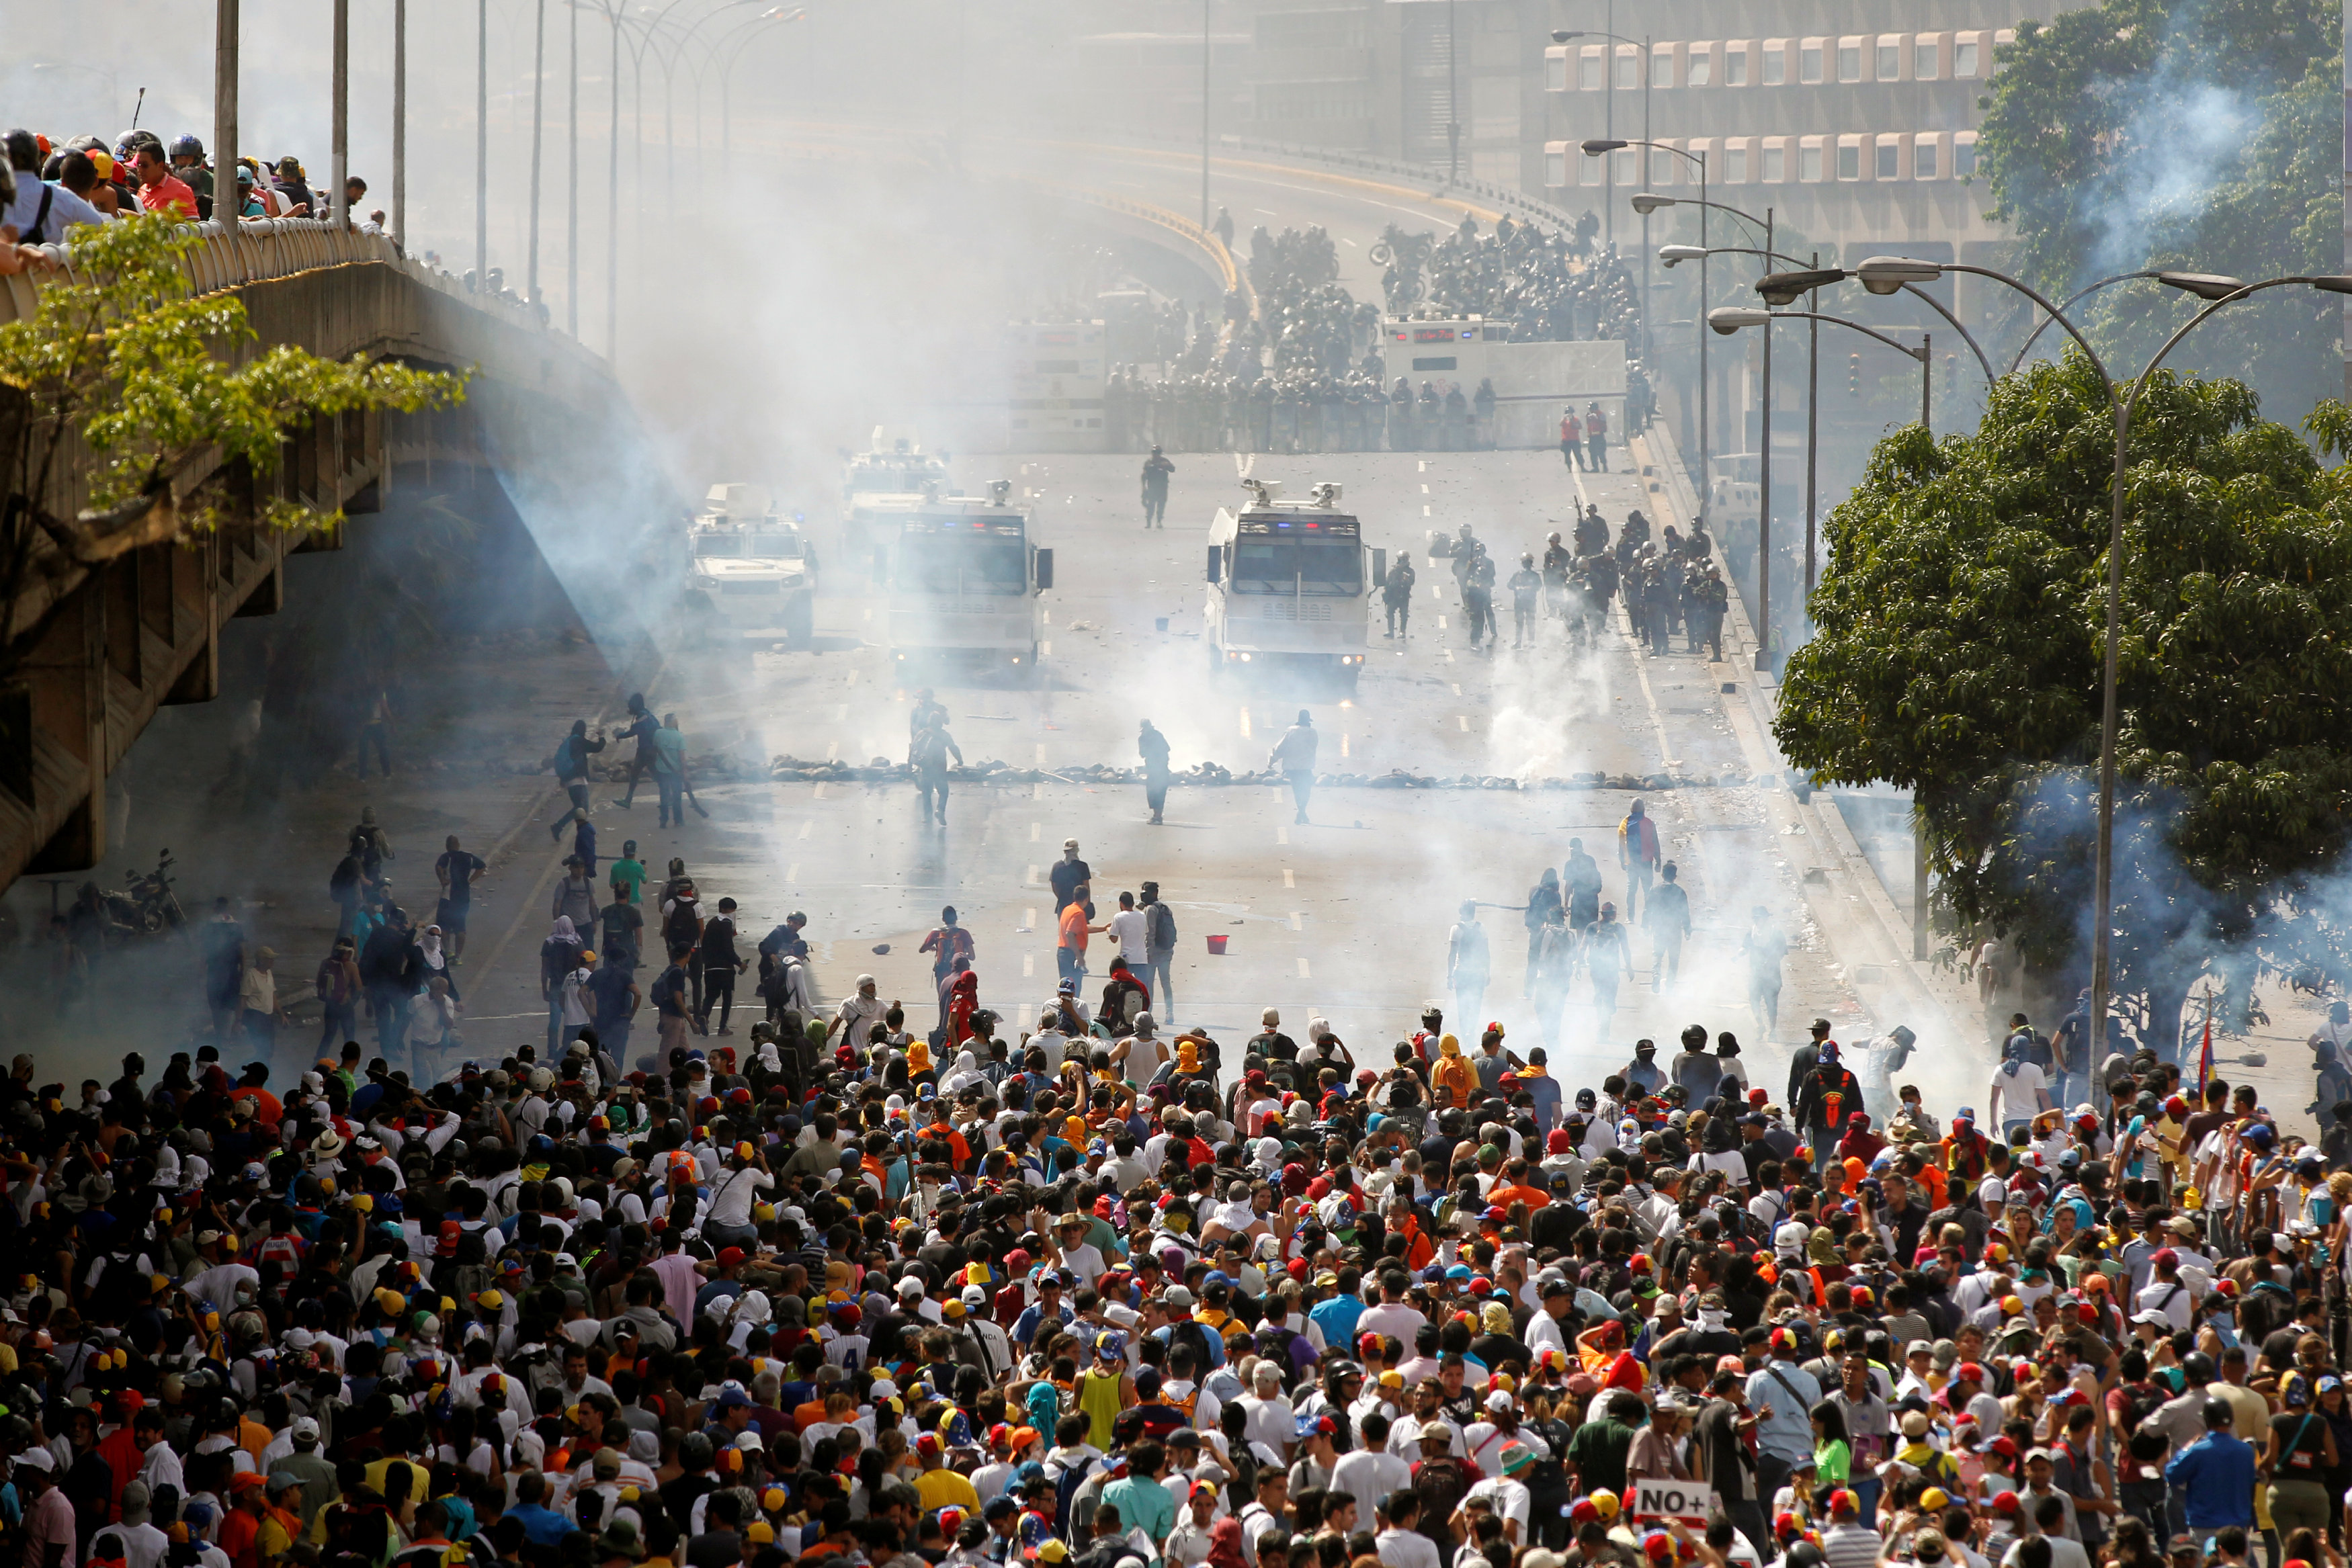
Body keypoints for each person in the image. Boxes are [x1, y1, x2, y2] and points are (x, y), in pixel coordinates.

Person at [548, 720, 607, 836]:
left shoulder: (568, 741)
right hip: (577, 780)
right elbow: (597, 748)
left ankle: (559, 826)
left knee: (579, 808)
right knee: (582, 809)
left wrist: (562, 778)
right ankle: (579, 832)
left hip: (570, 780)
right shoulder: (579, 741)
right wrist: (601, 737)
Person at [433, 836, 486, 962]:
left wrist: (442, 880)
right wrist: (470, 881)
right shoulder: (469, 857)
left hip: (448, 898)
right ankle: (458, 956)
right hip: (463, 898)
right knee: (460, 927)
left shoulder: (447, 857)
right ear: (459, 845)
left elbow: (438, 867)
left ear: (447, 846)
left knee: (443, 926)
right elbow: (482, 866)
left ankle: (448, 951)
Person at [1644, 861, 1690, 992]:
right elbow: (1685, 913)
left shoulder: (1654, 890)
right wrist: (1687, 930)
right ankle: (1670, 985)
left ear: (1663, 875)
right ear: (1675, 877)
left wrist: (1645, 926)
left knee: (1657, 954)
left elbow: (1647, 909)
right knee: (1674, 958)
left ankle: (1656, 975)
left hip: (1658, 928)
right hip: (1674, 929)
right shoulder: (1680, 892)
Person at [1742, 906, 1788, 1038]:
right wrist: (1738, 955)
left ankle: (1773, 1030)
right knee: (1754, 999)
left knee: (1771, 1003)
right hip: (1756, 973)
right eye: (1755, 918)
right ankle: (1760, 1025)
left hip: (1772, 975)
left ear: (1766, 918)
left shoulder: (1776, 933)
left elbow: (1782, 951)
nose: (1757, 921)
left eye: (1759, 918)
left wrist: (1771, 960)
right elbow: (1745, 946)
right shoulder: (1752, 932)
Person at [1267, 709, 1318, 825]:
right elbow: (1313, 748)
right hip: (1306, 766)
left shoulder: (1290, 731)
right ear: (1309, 721)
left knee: (1297, 790)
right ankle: (1302, 812)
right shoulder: (1313, 732)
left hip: (1292, 767)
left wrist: (1272, 761)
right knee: (1306, 790)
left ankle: (1301, 812)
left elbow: (1279, 748)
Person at [913, 716, 963, 825]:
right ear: (941, 723)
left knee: (926, 791)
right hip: (940, 766)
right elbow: (953, 748)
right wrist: (960, 760)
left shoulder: (922, 733)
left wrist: (909, 765)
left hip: (926, 766)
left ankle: (927, 817)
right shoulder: (944, 735)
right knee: (944, 791)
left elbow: (913, 749)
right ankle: (940, 810)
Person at [1140, 881, 1179, 1022]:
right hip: (1167, 951)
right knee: (1166, 983)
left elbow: (1150, 933)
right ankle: (1170, 1014)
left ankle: (1148, 1013)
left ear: (1154, 893)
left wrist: (1148, 952)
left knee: (1149, 983)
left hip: (1154, 953)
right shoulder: (1165, 908)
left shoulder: (1151, 909)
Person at [1618, 799, 1661, 923]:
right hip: (1646, 862)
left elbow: (1621, 844)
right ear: (1644, 810)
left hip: (1631, 863)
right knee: (1648, 889)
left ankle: (1630, 917)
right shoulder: (1649, 823)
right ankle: (1650, 916)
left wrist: (1622, 860)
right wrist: (1659, 861)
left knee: (1631, 889)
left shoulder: (1624, 823)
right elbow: (1655, 843)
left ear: (1631, 810)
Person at [1447, 901, 1489, 1027]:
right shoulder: (1481, 928)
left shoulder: (1456, 929)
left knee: (1462, 1006)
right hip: (1478, 973)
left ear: (1463, 913)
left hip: (1461, 973)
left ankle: (1464, 1032)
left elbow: (1452, 955)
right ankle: (1472, 1029)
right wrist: (1488, 972)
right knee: (1476, 1005)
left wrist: (1449, 976)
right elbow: (1486, 953)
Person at [1139, 720, 1174, 825]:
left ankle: (1158, 817)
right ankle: (1157, 816)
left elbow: (1142, 754)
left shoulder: (1147, 738)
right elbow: (1167, 748)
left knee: (1157, 792)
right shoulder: (1147, 737)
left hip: (1159, 769)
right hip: (1156, 769)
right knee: (1155, 793)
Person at [1506, 555, 1542, 649]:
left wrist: (1530, 588)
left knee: (1530, 621)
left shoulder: (1535, 576)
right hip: (1519, 601)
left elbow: (1539, 586)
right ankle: (1518, 641)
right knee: (1519, 622)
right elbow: (1509, 585)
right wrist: (1517, 588)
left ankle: (1531, 641)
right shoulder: (1518, 574)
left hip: (1530, 601)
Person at [1382, 552, 1416, 639]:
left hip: (1404, 596)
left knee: (1404, 615)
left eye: (1405, 559)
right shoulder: (1394, 570)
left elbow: (1411, 582)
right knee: (1390, 613)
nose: (1404, 561)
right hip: (1393, 596)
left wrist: (1405, 579)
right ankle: (1391, 631)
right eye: (1402, 559)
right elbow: (1387, 582)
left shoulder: (1410, 571)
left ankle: (1402, 632)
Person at [1141, 447, 1175, 528]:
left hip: (1162, 488)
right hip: (1152, 487)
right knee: (1151, 506)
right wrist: (1143, 487)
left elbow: (1172, 469)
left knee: (1161, 505)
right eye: (1155, 453)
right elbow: (1144, 475)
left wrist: (1166, 466)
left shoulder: (1164, 462)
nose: (1156, 455)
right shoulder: (1149, 463)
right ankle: (1148, 522)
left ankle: (1159, 521)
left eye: (1158, 453)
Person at [1585, 400, 1609, 472]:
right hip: (1592, 437)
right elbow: (1589, 425)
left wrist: (1596, 419)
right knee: (1592, 452)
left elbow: (1604, 426)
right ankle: (1595, 467)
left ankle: (1604, 466)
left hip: (1599, 436)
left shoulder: (1601, 415)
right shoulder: (1590, 415)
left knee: (1601, 451)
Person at [1559, 406, 1585, 470]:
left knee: (1578, 454)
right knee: (1567, 455)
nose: (1569, 414)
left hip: (1575, 439)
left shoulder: (1576, 419)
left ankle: (1582, 467)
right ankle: (1569, 468)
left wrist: (1572, 421)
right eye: (1567, 413)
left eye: (1570, 413)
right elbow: (1560, 424)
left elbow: (1580, 426)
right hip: (1566, 440)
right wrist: (1565, 419)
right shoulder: (1564, 420)